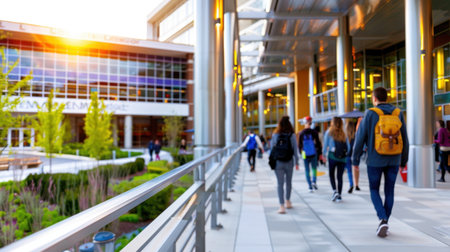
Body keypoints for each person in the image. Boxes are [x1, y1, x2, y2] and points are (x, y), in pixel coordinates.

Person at [352, 87, 409, 238]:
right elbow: (405, 139)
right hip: (394, 159)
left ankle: (382, 219)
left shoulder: (370, 113)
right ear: (387, 98)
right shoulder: (398, 113)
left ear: (374, 98)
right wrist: (404, 160)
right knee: (389, 191)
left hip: (375, 160)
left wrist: (355, 159)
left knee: (374, 190)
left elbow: (360, 138)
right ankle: (385, 221)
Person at [270, 116, 299, 214]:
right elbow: (295, 149)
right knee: (289, 182)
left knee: (280, 184)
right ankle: (288, 201)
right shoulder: (292, 135)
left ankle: (281, 206)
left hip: (278, 162)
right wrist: (297, 162)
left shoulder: (275, 134)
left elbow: (272, 149)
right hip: (289, 161)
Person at [323, 117, 348, 202]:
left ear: (332, 123)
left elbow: (325, 145)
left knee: (331, 174)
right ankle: (339, 195)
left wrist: (323, 155)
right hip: (342, 158)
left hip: (332, 156)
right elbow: (348, 147)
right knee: (339, 176)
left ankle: (335, 191)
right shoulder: (344, 133)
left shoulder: (329, 132)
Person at [298, 116, 322, 192]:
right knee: (314, 168)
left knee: (307, 170)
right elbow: (318, 143)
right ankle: (314, 181)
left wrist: (301, 153)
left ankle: (309, 185)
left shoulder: (301, 133)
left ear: (304, 123)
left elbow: (299, 145)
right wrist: (319, 153)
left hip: (305, 154)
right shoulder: (314, 132)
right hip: (313, 153)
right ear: (311, 123)